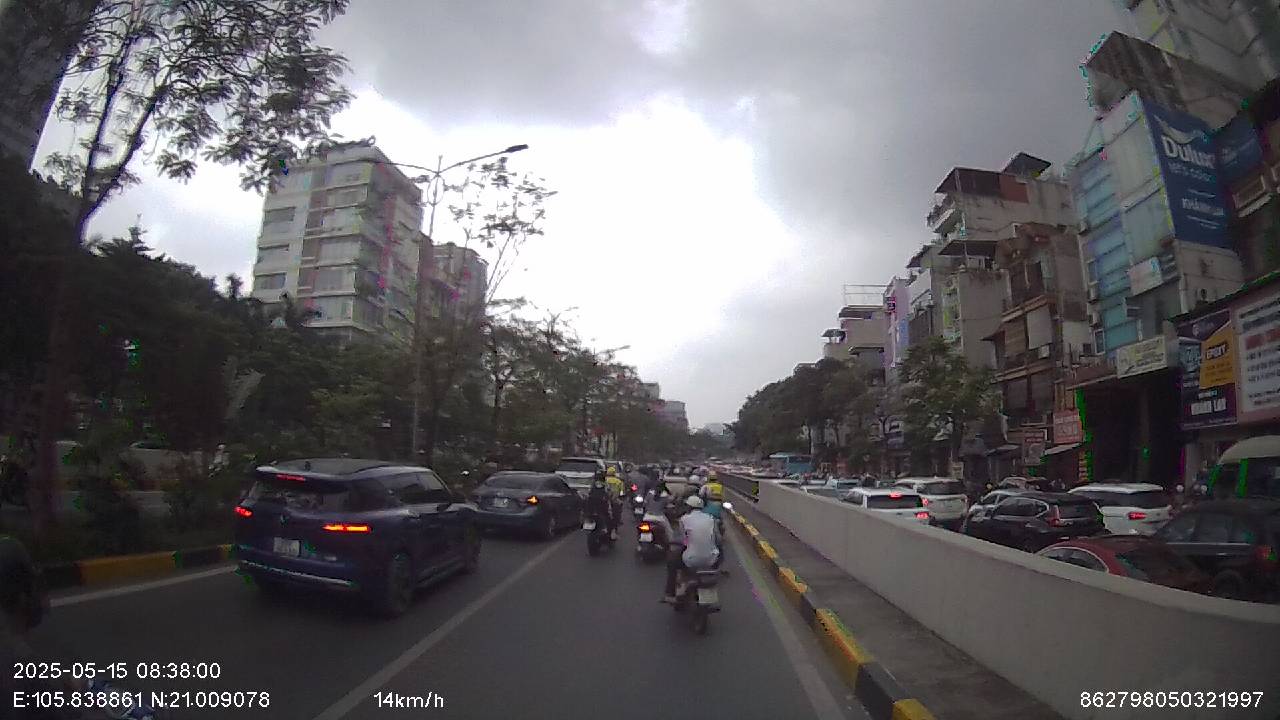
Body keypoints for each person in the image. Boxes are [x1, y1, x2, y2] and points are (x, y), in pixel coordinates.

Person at [663, 495, 721, 603]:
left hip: (691, 560)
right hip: (712, 559)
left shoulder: (684, 519)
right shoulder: (711, 519)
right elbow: (718, 539)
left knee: (671, 561)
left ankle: (670, 593)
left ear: (688, 507)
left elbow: (684, 539)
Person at [604, 466, 625, 539]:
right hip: (616, 500)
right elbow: (622, 492)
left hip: (605, 500)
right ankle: (615, 527)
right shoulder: (619, 481)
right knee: (617, 515)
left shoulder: (604, 480)